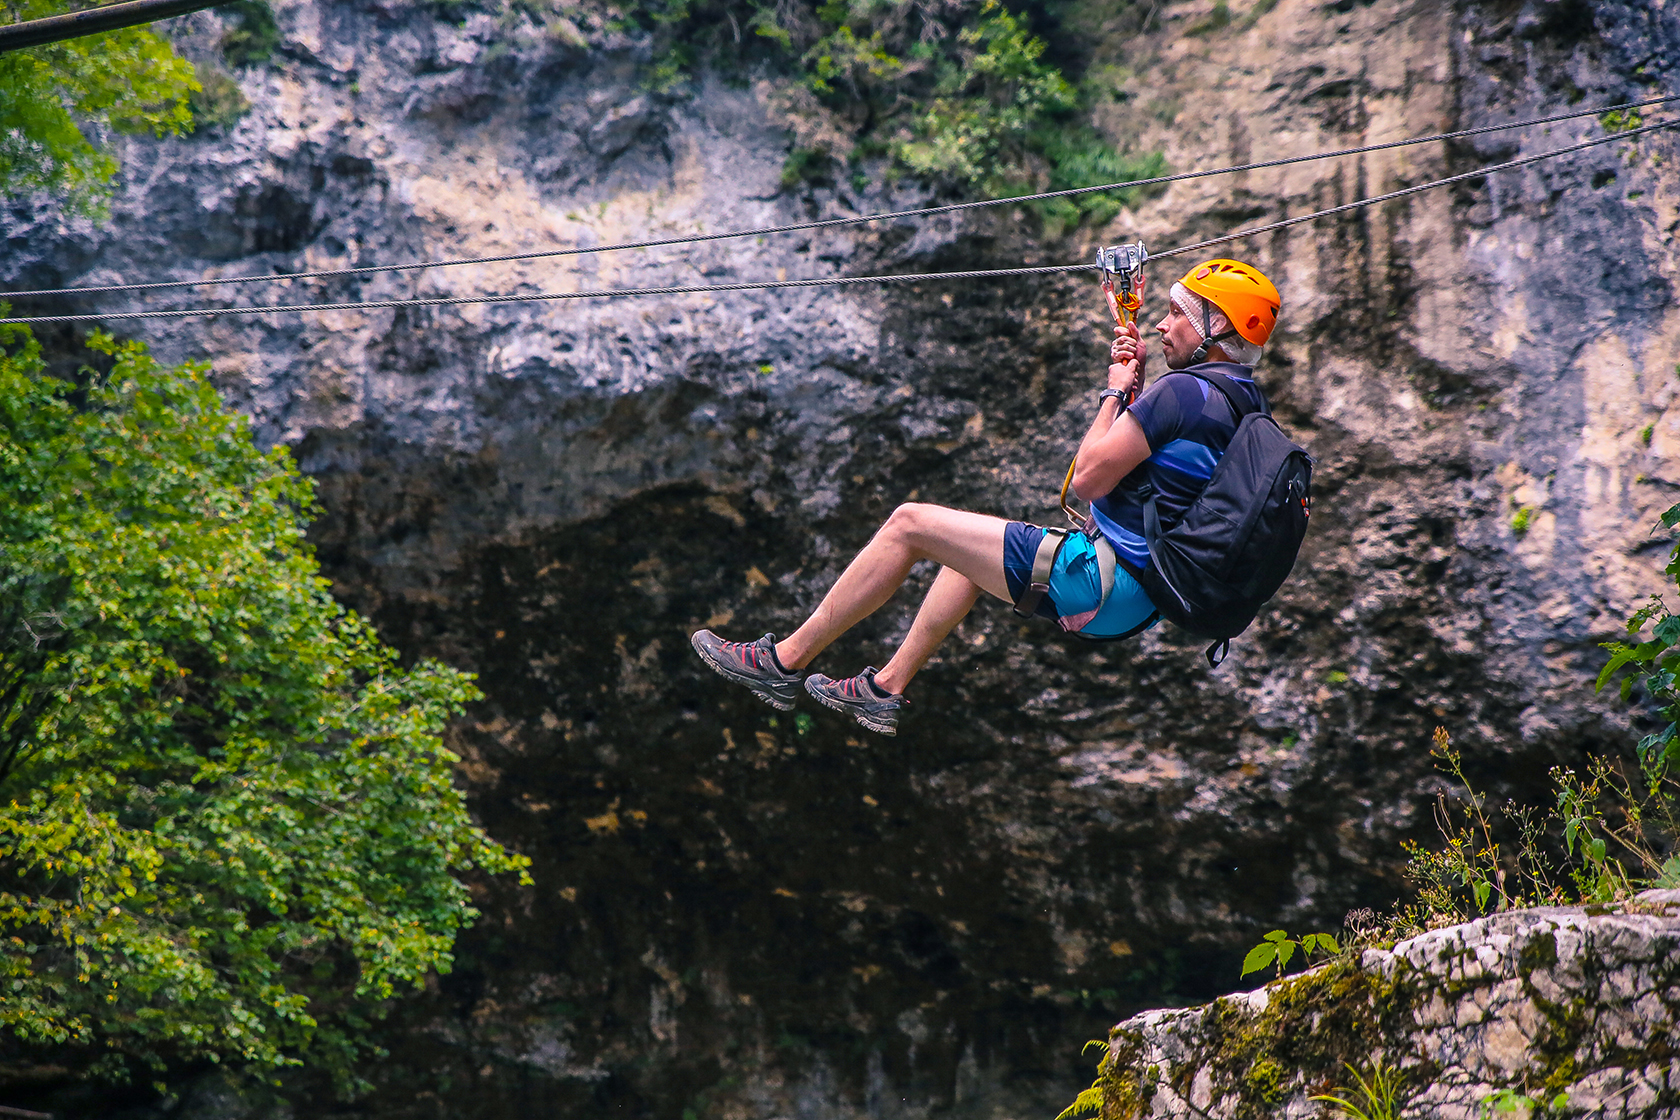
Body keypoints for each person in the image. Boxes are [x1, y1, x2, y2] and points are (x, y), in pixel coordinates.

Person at [690, 258, 1283, 736]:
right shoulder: (1241, 406)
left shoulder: (1182, 392)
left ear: (1220, 327)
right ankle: (885, 689)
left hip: (1103, 581)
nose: (1161, 323)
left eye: (1179, 313)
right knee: (965, 558)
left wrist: (1114, 392)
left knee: (908, 523)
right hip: (1139, 599)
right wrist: (1139, 392)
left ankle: (782, 662)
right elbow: (1163, 477)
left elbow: (1087, 479)